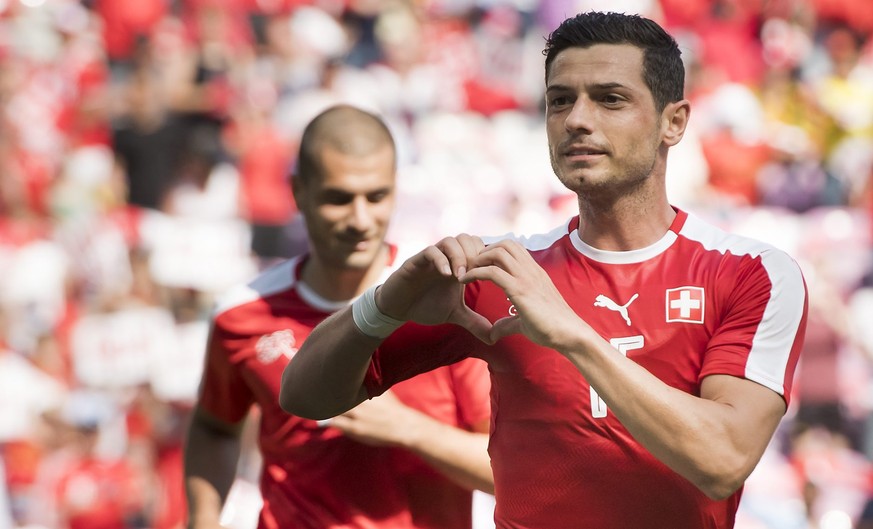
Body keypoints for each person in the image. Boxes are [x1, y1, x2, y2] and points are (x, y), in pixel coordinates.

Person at [279, 12, 809, 529]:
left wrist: (571, 334)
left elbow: (723, 460)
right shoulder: (500, 272)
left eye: (610, 98)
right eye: (560, 101)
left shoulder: (752, 273)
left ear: (674, 122)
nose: (577, 119)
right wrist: (382, 305)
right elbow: (305, 396)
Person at [184, 104, 493, 529]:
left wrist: (410, 429)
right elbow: (215, 426)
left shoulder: (448, 300)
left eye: (376, 196)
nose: (360, 219)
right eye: (339, 198)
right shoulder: (242, 314)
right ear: (299, 192)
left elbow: (509, 467)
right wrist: (202, 518)